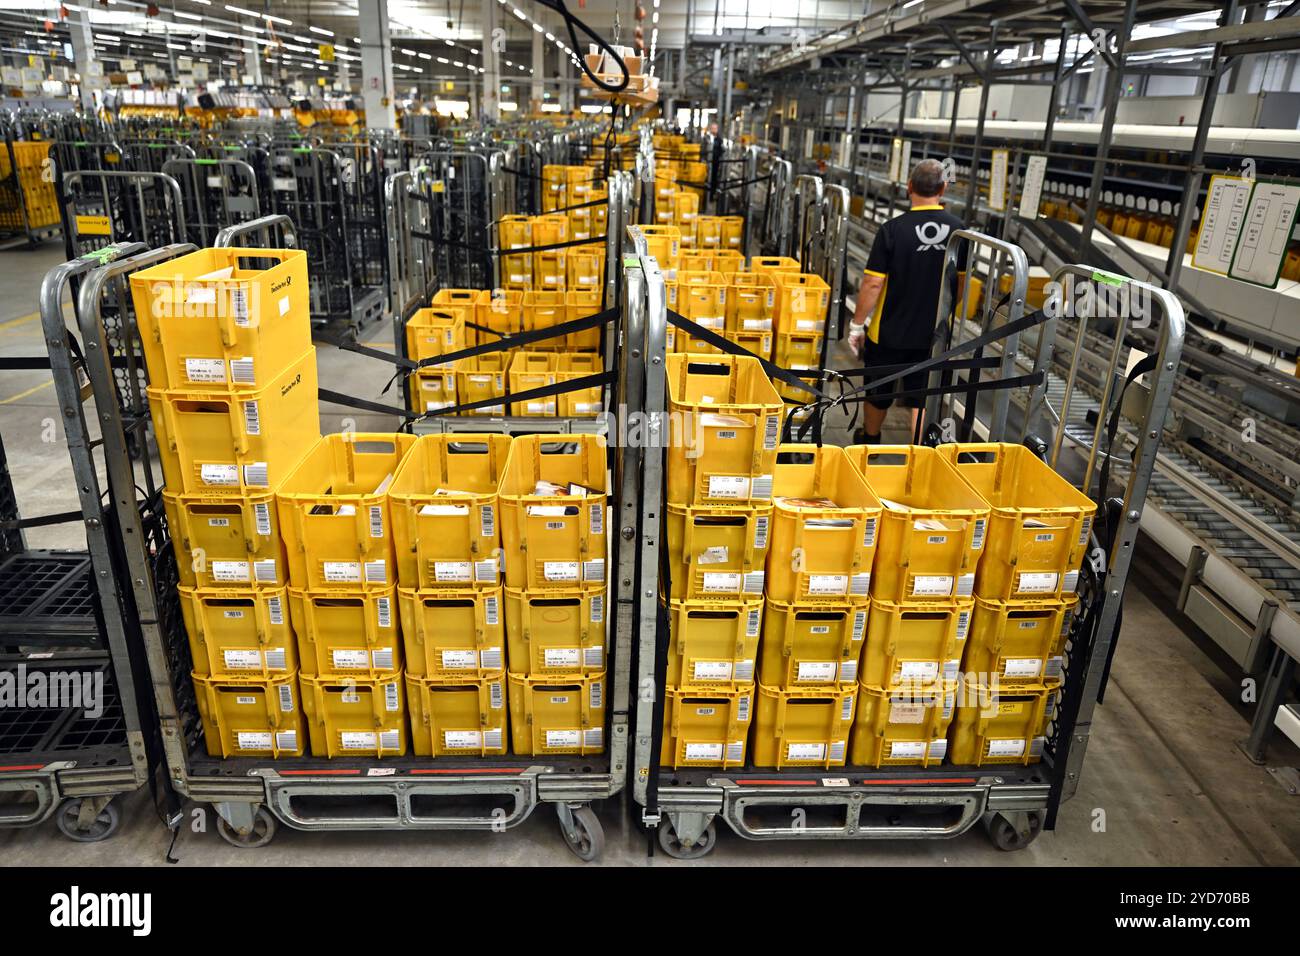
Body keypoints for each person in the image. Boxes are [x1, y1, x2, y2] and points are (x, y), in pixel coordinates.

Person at [847, 157, 967, 443]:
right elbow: (960, 284)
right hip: (933, 333)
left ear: (909, 187)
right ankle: (918, 453)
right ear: (943, 188)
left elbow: (873, 283)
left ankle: (870, 442)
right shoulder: (959, 229)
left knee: (879, 392)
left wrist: (856, 325)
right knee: (922, 397)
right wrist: (945, 316)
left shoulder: (893, 229)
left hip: (889, 332)